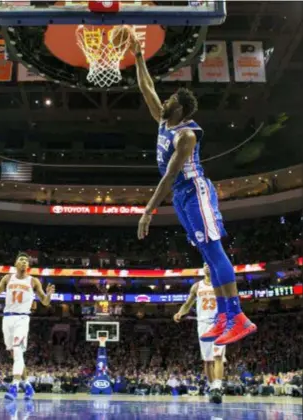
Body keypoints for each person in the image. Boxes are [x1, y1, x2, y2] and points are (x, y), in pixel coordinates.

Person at [130, 28, 256, 346]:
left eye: (170, 99)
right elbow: (146, 87)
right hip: (181, 197)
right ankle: (225, 317)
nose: (165, 100)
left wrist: (147, 211)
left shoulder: (186, 135)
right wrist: (138, 55)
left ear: (180, 110)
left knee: (214, 250)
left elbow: (172, 174)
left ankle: (237, 315)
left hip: (194, 190)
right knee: (205, 253)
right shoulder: (163, 120)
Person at [0, 253, 55, 401]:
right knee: (16, 355)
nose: (24, 262)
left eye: (26, 260)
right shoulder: (7, 278)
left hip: (22, 318)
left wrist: (49, 295)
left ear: (28, 265)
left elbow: (44, 302)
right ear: (15, 263)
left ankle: (14, 387)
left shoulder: (33, 281)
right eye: (21, 260)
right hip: (7, 318)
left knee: (18, 351)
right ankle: (28, 386)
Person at [174, 263, 226, 404]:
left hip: (218, 323)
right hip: (202, 323)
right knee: (207, 360)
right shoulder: (197, 286)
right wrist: (180, 313)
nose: (208, 266)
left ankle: (217, 386)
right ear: (203, 269)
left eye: (210, 264)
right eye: (205, 265)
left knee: (218, 355)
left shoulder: (221, 284)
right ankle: (211, 388)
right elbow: (188, 304)